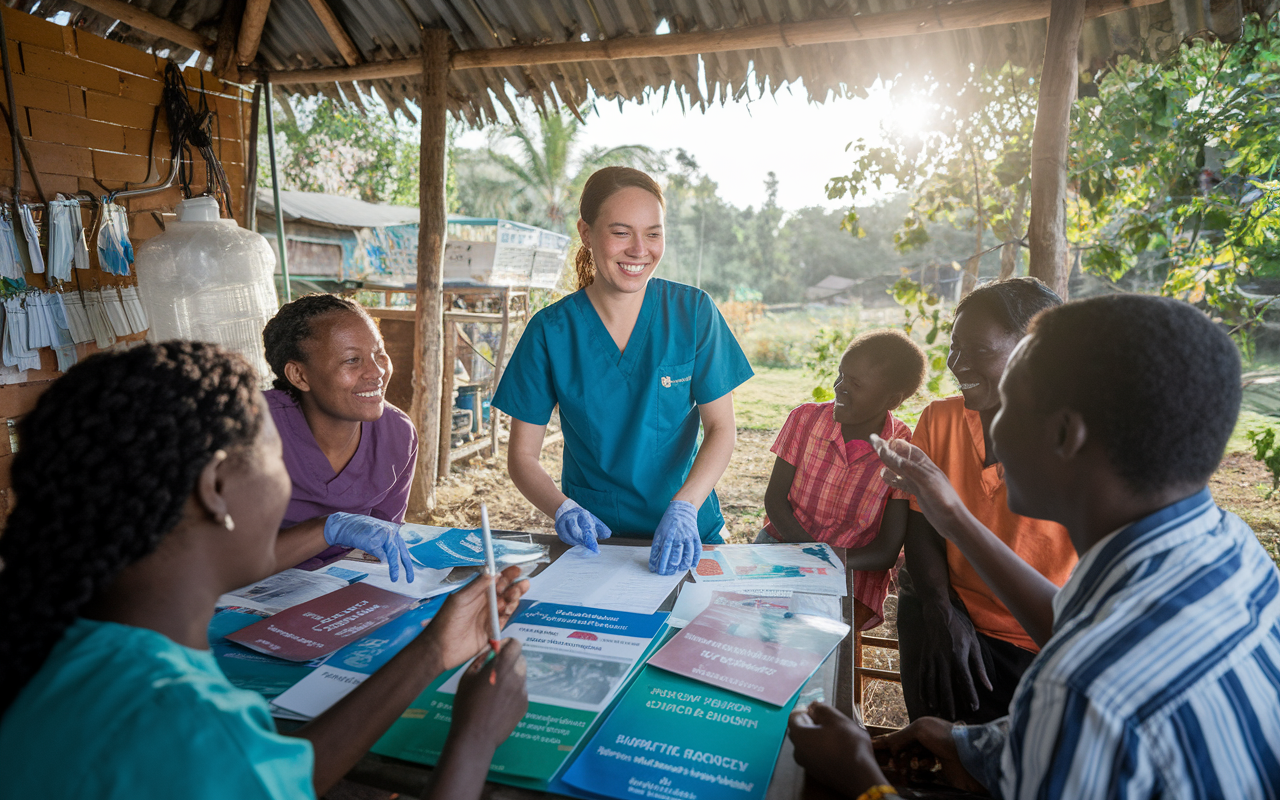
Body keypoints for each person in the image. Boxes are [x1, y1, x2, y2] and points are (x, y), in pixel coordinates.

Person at [789, 294, 1280, 799]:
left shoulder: (1082, 695)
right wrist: (978, 745)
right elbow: (1076, 623)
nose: (990, 425)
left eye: (1011, 404)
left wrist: (859, 778)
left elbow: (1088, 682)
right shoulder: (1237, 554)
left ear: (1065, 434)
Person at [0, 342, 531, 799]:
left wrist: (432, 652)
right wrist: (476, 735)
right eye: (276, 461)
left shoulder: (71, 650)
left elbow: (273, 776)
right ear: (215, 488)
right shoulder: (187, 724)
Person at [494, 167, 753, 576]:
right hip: (596, 540)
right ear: (585, 232)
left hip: (690, 535)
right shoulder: (551, 332)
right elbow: (522, 457)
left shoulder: (693, 313)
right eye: (621, 232)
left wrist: (685, 507)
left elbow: (722, 429)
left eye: (653, 233)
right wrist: (562, 508)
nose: (639, 249)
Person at [897, 277, 1074, 723]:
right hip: (945, 613)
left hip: (1036, 637)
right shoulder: (940, 420)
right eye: (955, 347)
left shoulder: (1078, 442)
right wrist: (943, 612)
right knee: (937, 745)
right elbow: (918, 524)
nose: (958, 363)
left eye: (978, 349)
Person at [760, 329, 926, 630]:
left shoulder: (901, 449)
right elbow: (775, 500)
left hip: (852, 572)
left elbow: (887, 549)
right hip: (783, 547)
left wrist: (827, 562)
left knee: (817, 647)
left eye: (855, 384)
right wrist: (812, 555)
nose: (839, 387)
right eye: (841, 375)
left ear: (892, 399)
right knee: (756, 628)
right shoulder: (805, 419)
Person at [262, 294, 417, 580]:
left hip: (337, 587)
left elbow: (381, 543)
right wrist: (327, 529)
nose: (377, 371)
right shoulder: (249, 432)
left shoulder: (397, 435)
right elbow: (220, 560)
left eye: (379, 353)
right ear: (299, 375)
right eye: (352, 360)